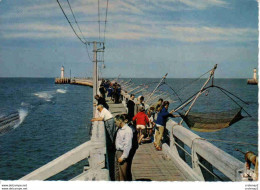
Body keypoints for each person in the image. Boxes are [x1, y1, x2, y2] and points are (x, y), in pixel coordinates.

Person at [114, 114, 133, 181]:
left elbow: (128, 145)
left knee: (122, 174)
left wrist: (123, 157)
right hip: (117, 151)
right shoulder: (120, 129)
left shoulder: (127, 130)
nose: (115, 124)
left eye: (116, 122)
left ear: (120, 121)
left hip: (122, 153)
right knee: (117, 173)